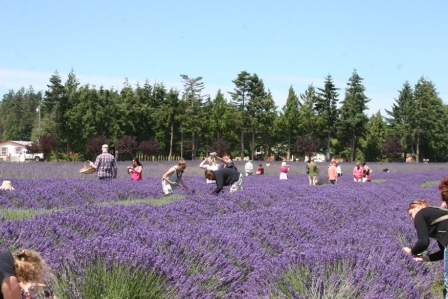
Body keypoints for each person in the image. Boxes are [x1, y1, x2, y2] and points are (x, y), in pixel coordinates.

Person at [403, 199, 448, 297]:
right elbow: (443, 252)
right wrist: (424, 258)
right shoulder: (438, 220)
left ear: (418, 207)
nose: (411, 219)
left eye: (411, 214)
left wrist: (411, 251)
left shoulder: (420, 214)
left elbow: (423, 242)